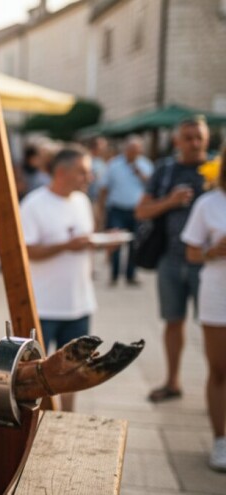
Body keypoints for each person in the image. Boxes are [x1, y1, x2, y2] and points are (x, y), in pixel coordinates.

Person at [136, 117, 209, 404]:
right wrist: (170, 201)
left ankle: (218, 386)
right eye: (188, 137)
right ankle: (172, 381)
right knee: (173, 322)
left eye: (198, 137)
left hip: (211, 265)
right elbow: (141, 212)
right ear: (177, 141)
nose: (194, 143)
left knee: (216, 327)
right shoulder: (165, 170)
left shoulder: (219, 169)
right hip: (170, 259)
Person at [20, 145, 96, 412]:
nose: (89, 177)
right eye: (83, 172)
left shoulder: (83, 202)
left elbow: (83, 241)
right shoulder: (34, 204)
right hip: (44, 303)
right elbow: (25, 250)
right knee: (37, 370)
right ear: (61, 172)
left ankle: (68, 416)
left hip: (79, 301)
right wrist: (66, 246)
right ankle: (39, 419)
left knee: (75, 368)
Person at [180, 146, 226, 472]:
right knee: (221, 369)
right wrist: (213, 250)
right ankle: (221, 440)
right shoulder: (208, 203)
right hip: (218, 296)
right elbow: (192, 254)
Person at [98, 136, 153, 286]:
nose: (133, 153)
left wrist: (141, 175)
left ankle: (130, 275)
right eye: (131, 150)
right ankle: (114, 275)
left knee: (135, 244)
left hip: (137, 211)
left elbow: (152, 187)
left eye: (136, 151)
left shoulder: (146, 165)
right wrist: (101, 210)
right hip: (117, 209)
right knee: (115, 242)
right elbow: (104, 188)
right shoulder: (114, 165)